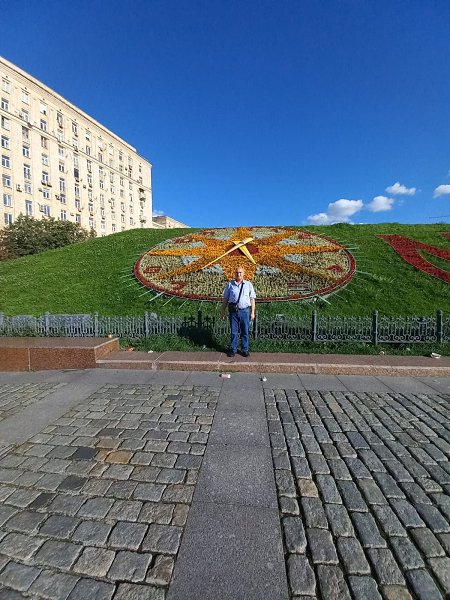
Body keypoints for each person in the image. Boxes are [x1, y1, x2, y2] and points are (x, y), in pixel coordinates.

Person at [221, 266, 256, 357]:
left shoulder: (248, 284)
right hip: (233, 311)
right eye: (237, 272)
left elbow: (252, 299)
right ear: (235, 274)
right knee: (234, 332)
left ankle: (245, 350)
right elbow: (225, 299)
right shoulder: (230, 285)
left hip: (244, 311)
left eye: (240, 272)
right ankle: (233, 349)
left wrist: (252, 312)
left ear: (244, 274)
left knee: (245, 331)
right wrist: (222, 312)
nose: (238, 274)